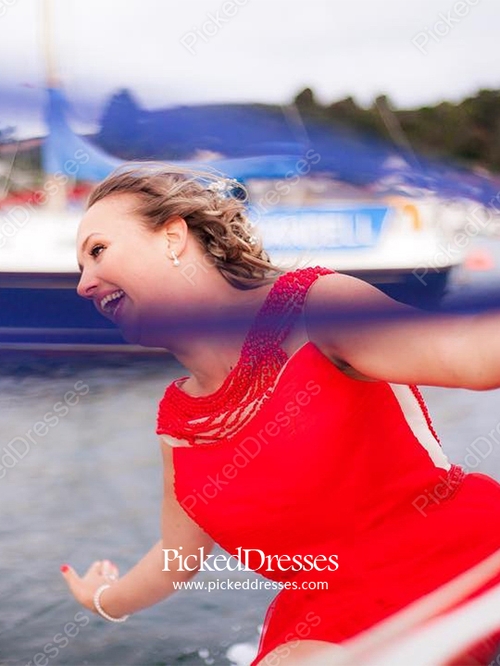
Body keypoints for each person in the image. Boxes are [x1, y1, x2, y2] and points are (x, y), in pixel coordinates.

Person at [62, 163, 500, 666]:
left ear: (172, 237)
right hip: (328, 617)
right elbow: (176, 557)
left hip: (460, 560)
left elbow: (468, 354)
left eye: (98, 251)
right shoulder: (180, 425)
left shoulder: (315, 308)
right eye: (80, 268)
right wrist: (101, 599)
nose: (84, 285)